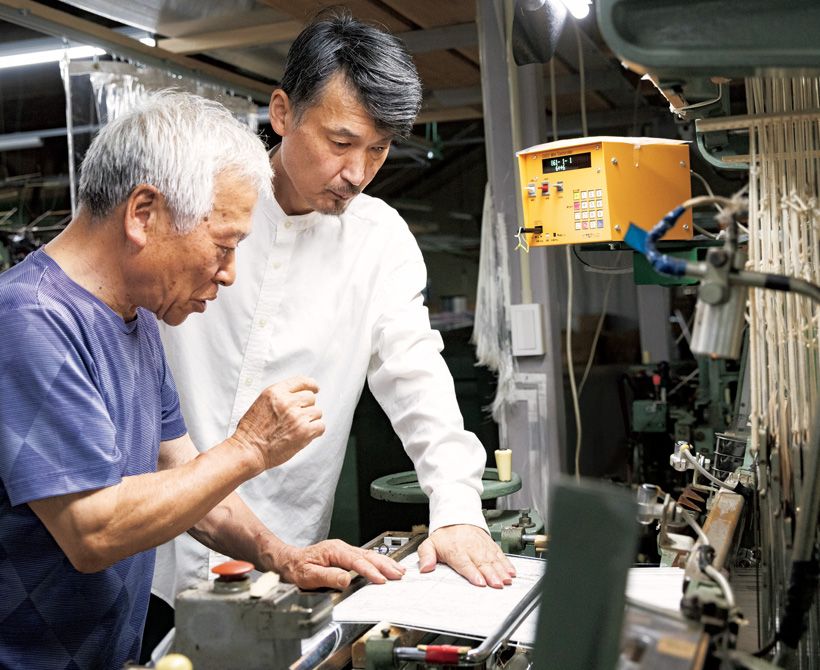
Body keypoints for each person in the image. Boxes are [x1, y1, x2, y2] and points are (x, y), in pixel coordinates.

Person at [0, 91, 403, 670]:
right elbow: (92, 530)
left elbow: (183, 477)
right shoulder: (31, 320)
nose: (229, 272)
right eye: (223, 245)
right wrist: (250, 448)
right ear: (144, 213)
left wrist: (282, 556)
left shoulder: (133, 319)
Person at [151, 8, 516, 628]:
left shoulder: (380, 241)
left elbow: (417, 376)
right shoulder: (198, 208)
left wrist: (455, 508)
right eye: (341, 143)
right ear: (283, 112)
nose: (357, 173)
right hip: (150, 556)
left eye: (377, 150)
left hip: (287, 562)